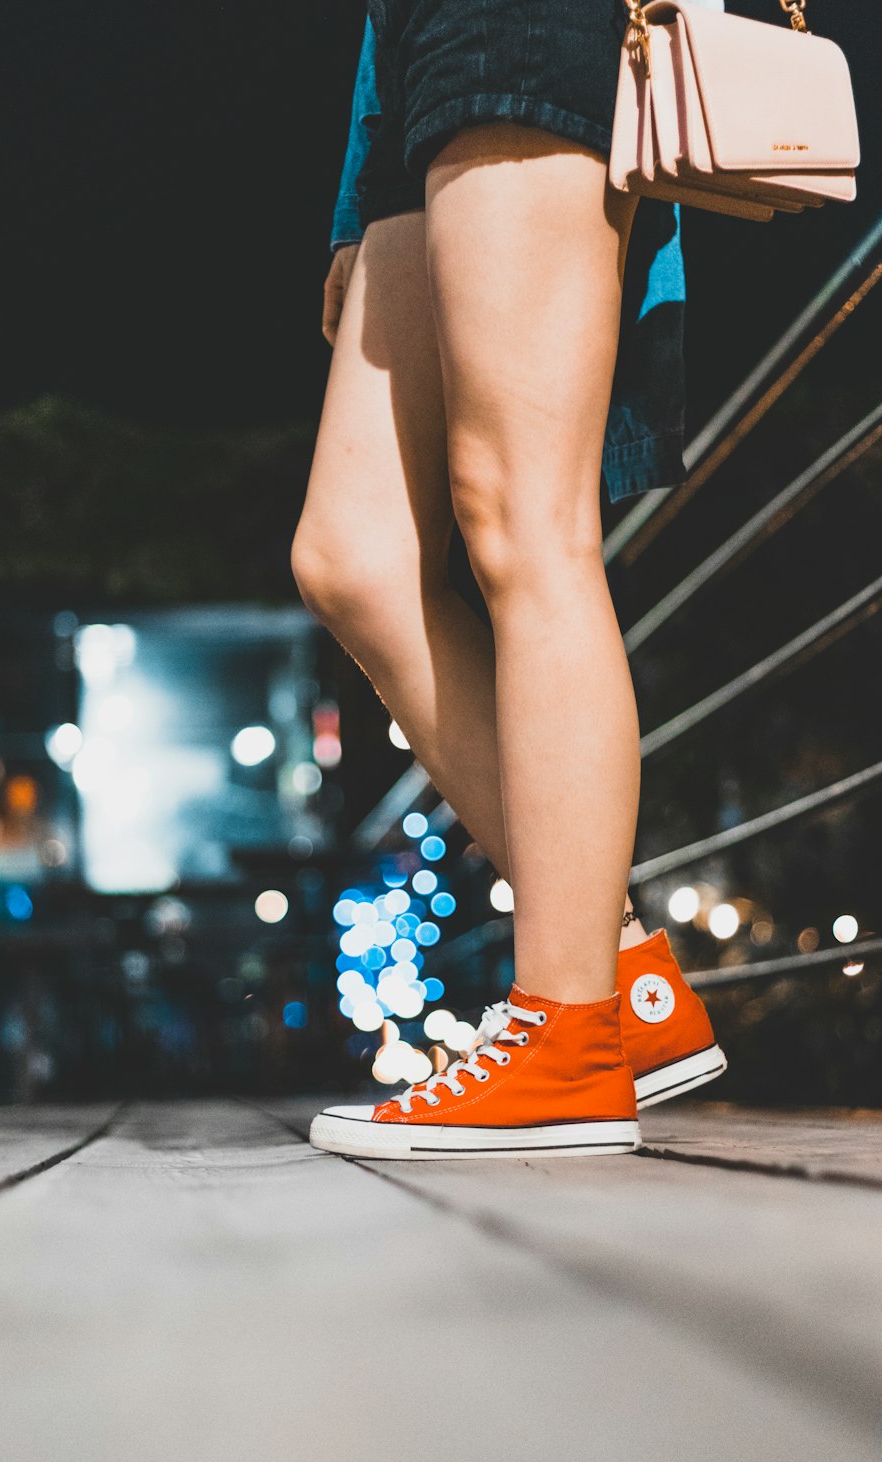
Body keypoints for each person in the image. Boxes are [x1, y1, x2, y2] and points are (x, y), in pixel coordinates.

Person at [292, 1, 726, 1160]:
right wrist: (359, 202)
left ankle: (570, 1033)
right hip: (417, 69)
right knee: (355, 559)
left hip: (521, 28)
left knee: (527, 524)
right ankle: (620, 979)